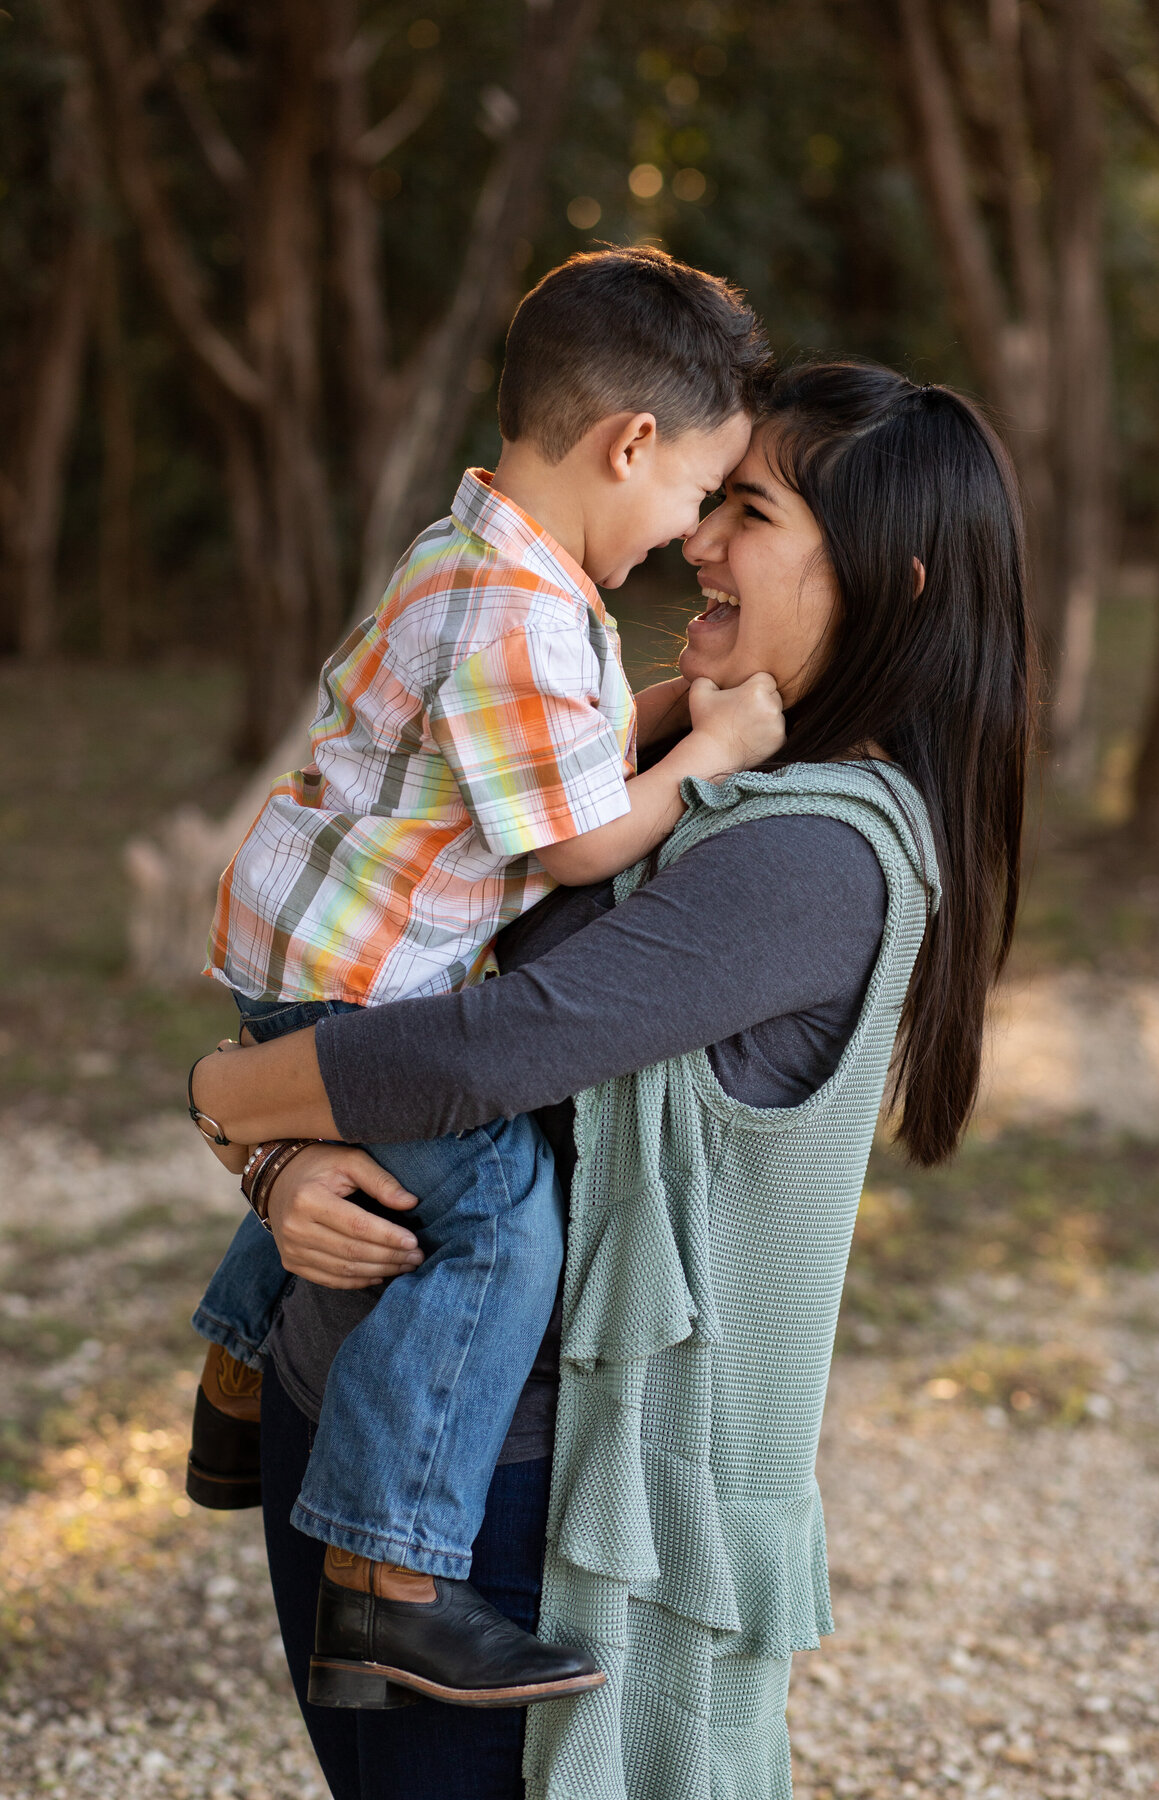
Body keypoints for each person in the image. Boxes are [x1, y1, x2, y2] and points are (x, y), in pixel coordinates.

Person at [189, 360, 1032, 1800]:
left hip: (505, 1499)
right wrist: (279, 1162)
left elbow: (480, 1051)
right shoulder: (689, 774)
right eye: (708, 497)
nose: (697, 536)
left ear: (892, 583)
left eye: (747, 511)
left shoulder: (813, 854)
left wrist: (223, 1095)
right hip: (365, 1429)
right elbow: (405, 964)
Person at [185, 245, 783, 1710]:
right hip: (357, 992)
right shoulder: (521, 611)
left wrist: (655, 712)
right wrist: (708, 752)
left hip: (313, 959)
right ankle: (390, 1585)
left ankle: (236, 1379)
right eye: (699, 493)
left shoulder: (481, 557)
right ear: (628, 444)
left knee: (376, 1173)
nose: (694, 531)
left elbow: (541, 759)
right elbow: (580, 847)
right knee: (500, 1217)